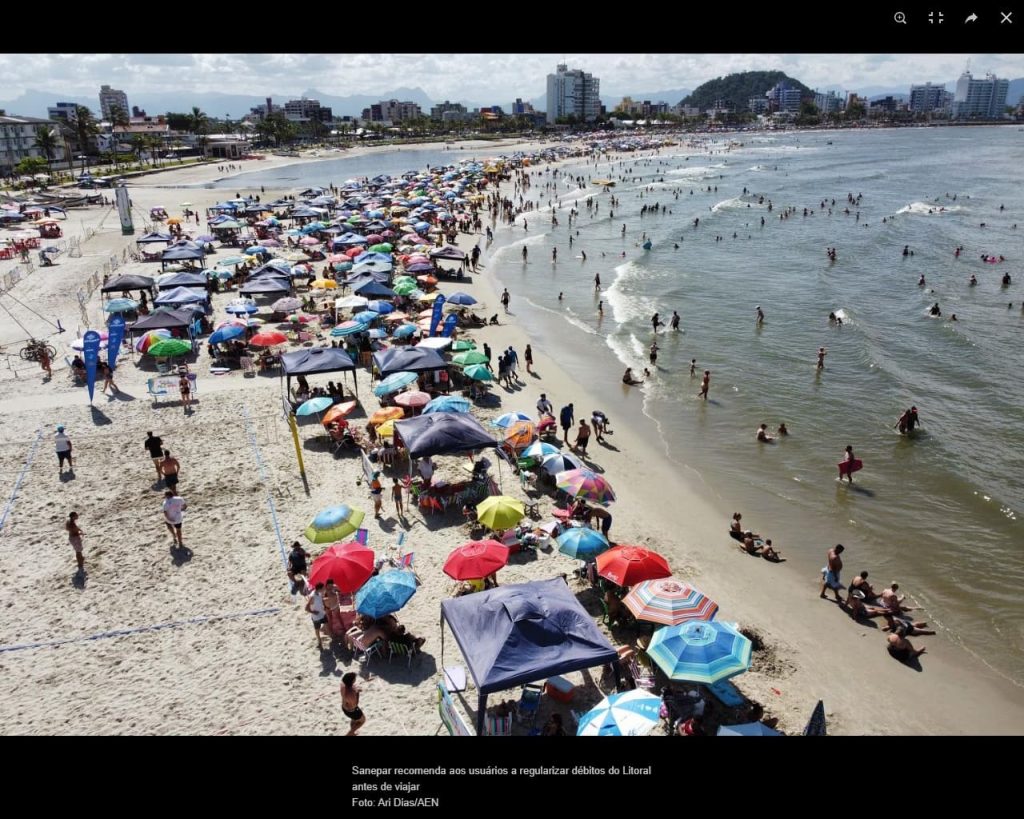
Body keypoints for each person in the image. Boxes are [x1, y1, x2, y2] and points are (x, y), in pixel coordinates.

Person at [306, 582, 328, 650]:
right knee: (317, 630)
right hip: (316, 617)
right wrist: (313, 612)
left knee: (327, 625)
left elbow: (321, 601)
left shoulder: (319, 593)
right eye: (323, 588)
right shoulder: (312, 596)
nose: (324, 589)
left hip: (322, 614)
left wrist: (324, 606)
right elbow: (306, 608)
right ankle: (319, 642)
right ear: (320, 589)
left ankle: (331, 639)